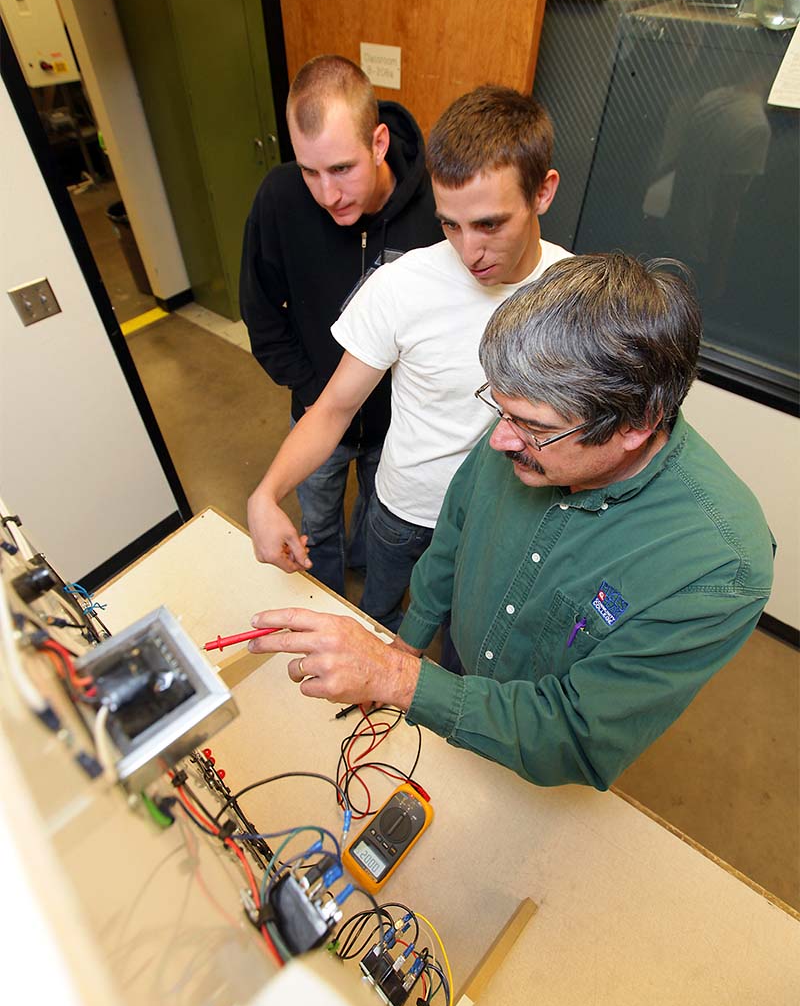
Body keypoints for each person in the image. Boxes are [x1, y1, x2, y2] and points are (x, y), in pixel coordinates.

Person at [245, 254, 775, 791]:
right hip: (456, 678)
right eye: (499, 409)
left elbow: (576, 735)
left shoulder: (719, 565)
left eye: (533, 426)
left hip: (536, 768)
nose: (499, 441)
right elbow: (453, 532)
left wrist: (396, 677)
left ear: (635, 425)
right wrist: (407, 645)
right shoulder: (526, 429)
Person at [247, 85, 568, 629]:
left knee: (466, 638)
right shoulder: (401, 286)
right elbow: (332, 410)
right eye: (450, 224)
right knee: (380, 618)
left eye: (490, 224)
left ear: (543, 192)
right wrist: (265, 494)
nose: (470, 252)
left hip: (502, 522)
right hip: (406, 512)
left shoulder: (575, 294)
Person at [240, 55, 441, 598]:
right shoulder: (280, 200)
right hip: (316, 415)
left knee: (382, 530)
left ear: (378, 143)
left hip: (395, 426)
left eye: (342, 170)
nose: (327, 195)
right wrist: (312, 391)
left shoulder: (433, 212)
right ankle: (325, 602)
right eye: (310, 171)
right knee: (316, 526)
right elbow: (260, 312)